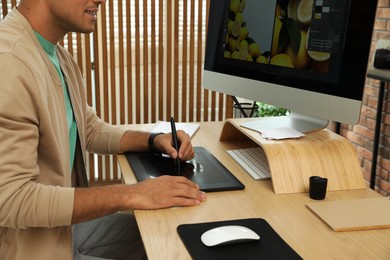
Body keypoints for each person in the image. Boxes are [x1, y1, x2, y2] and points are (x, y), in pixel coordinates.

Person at [0, 0, 207, 259]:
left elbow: (90, 129)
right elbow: (11, 199)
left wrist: (154, 141)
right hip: (33, 249)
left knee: (170, 233)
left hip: (65, 231)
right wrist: (132, 194)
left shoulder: (55, 55)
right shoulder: (9, 62)